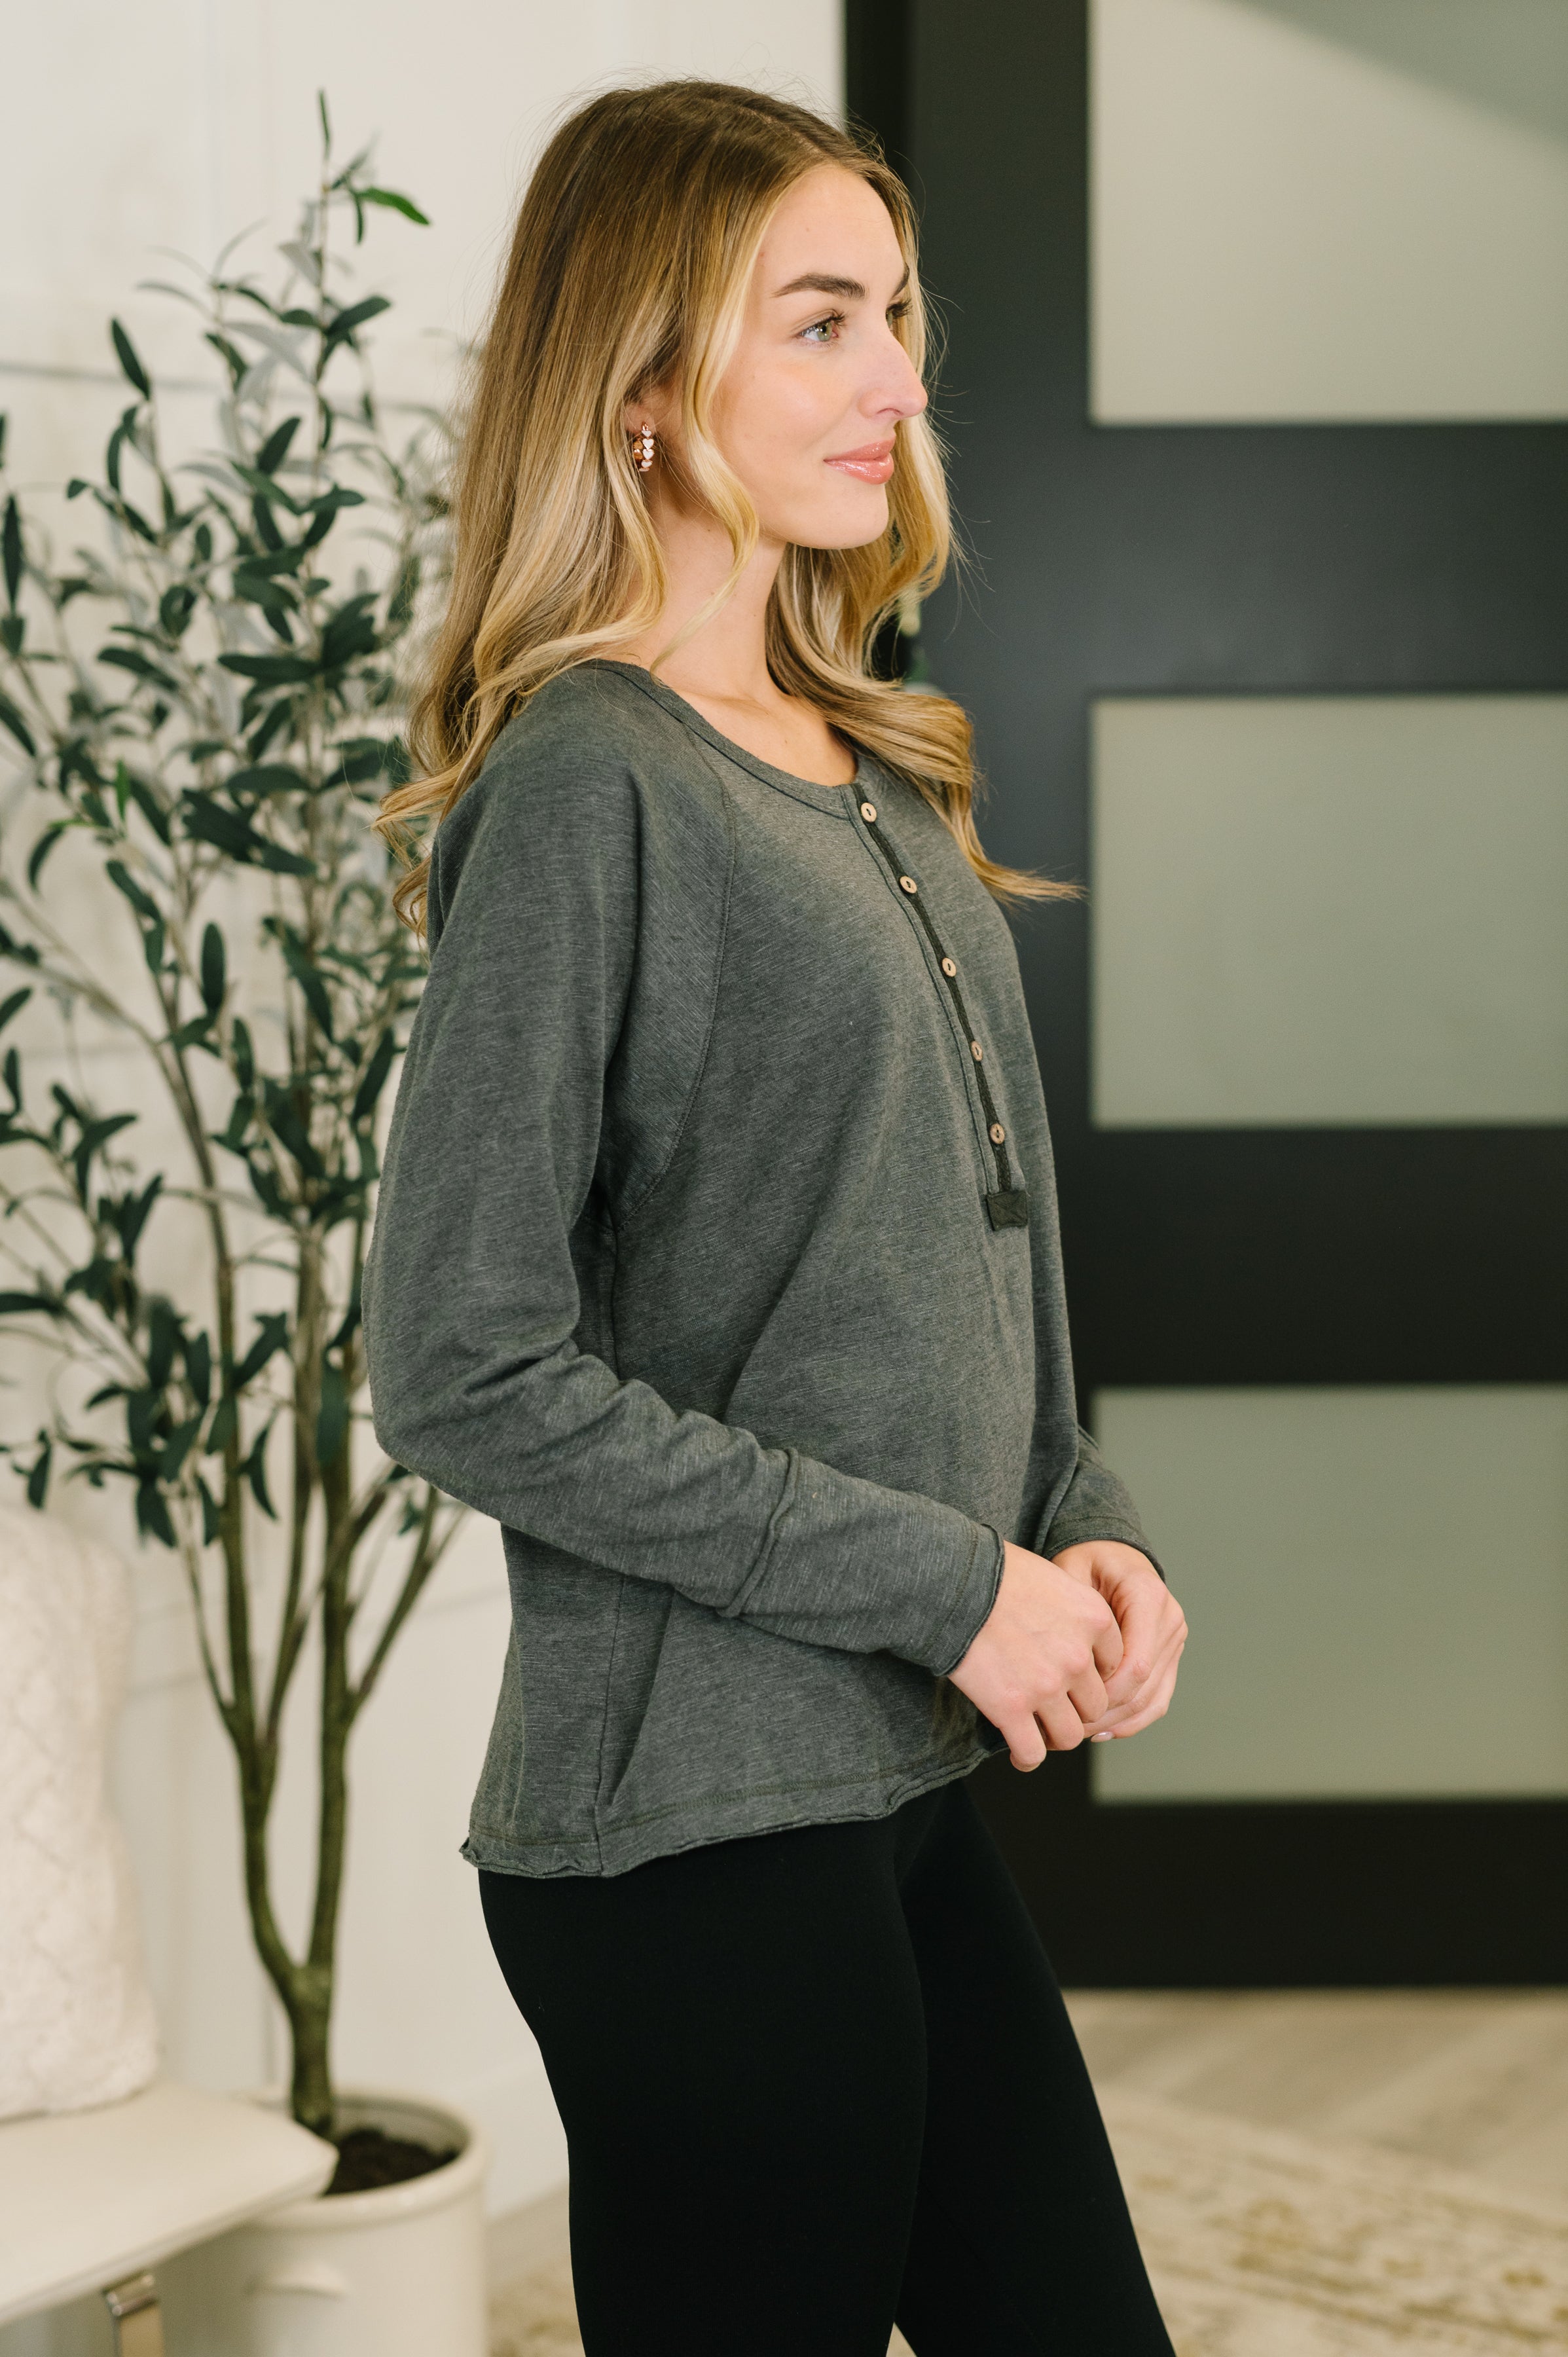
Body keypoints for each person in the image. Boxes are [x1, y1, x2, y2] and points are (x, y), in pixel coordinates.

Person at [364, 77, 1187, 2357]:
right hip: (697, 1829)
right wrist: (956, 1587)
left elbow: (966, 1256)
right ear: (639, 386)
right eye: (817, 321)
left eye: (895, 317)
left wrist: (1082, 1522)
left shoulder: (873, 758)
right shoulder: (587, 782)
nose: (895, 380)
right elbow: (461, 1368)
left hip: (897, 1769)